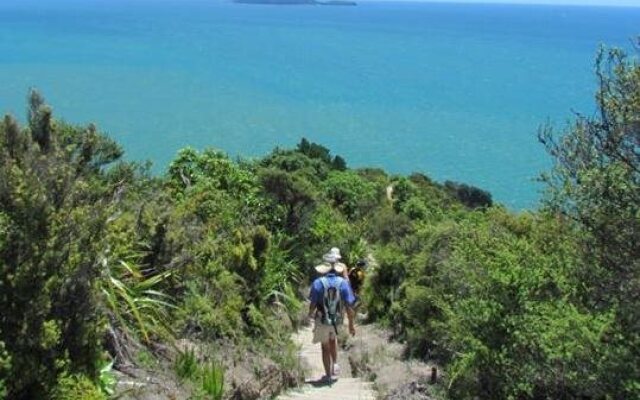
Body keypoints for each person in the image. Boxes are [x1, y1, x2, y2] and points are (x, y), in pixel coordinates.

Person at [308, 247, 356, 382]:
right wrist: (351, 325)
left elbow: (312, 304)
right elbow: (349, 306)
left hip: (322, 319)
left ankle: (328, 375)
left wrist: (310, 314)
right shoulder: (343, 284)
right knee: (333, 340)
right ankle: (335, 364)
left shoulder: (317, 283)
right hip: (337, 319)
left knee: (324, 347)